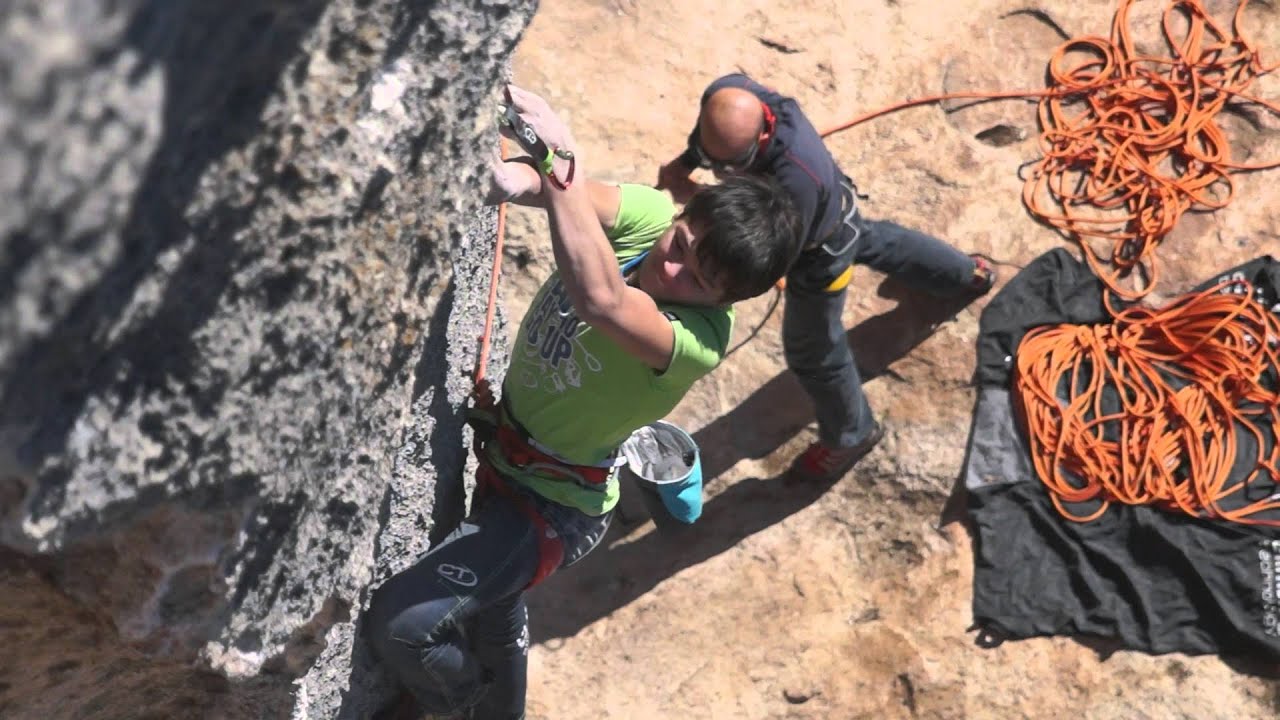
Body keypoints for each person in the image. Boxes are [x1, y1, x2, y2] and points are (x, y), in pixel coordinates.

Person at [364, 84, 800, 720]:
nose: (671, 268)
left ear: (726, 301)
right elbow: (562, 196)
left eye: (698, 280)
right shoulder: (655, 217)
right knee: (496, 601)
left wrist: (561, 162)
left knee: (404, 624)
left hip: (551, 506)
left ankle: (467, 704)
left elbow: (602, 299)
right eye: (679, 244)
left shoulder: (695, 340)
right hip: (512, 461)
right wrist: (509, 178)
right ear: (683, 219)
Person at [656, 73, 997, 485]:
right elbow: (712, 131)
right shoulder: (729, 96)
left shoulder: (798, 181)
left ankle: (851, 435)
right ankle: (965, 274)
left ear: (762, 135)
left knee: (812, 348)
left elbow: (764, 253)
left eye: (730, 167)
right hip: (835, 209)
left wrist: (696, 202)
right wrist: (688, 161)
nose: (721, 171)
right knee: (870, 237)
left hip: (818, 250)